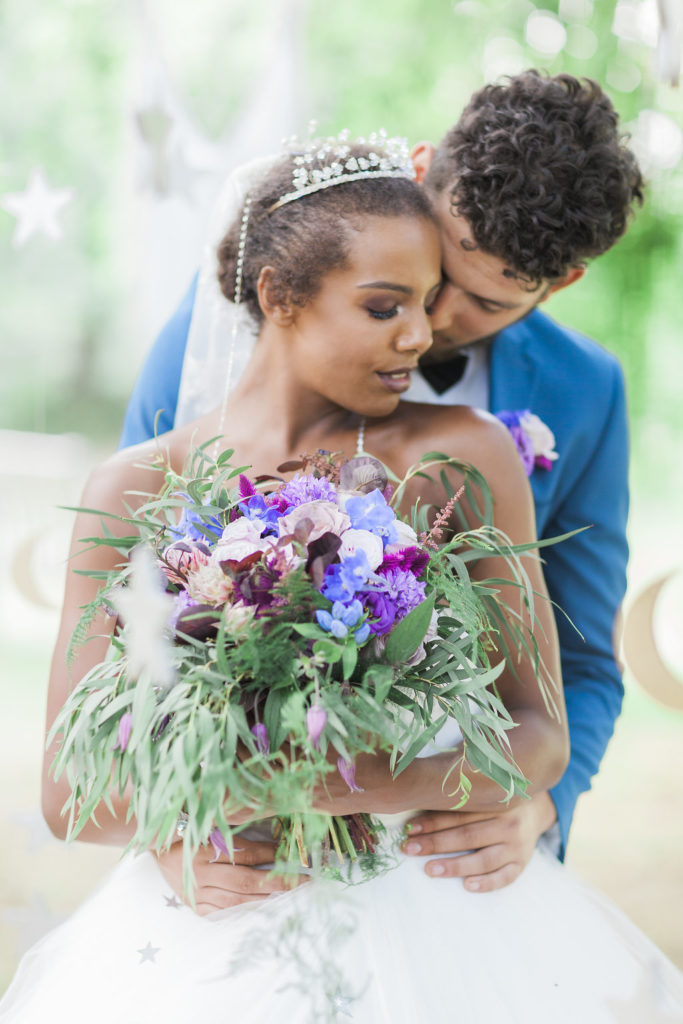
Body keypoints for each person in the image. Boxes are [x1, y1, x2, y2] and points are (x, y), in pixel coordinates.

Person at [3, 137, 682, 1024]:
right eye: (384, 306)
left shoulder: (466, 456)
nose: (422, 332)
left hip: (438, 902)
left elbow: (540, 730)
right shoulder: (135, 484)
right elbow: (69, 787)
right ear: (278, 296)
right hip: (220, 908)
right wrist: (182, 826)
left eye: (431, 300)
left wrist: (348, 782)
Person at [119, 71, 643, 900]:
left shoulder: (583, 394)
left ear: (561, 284)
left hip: (442, 848)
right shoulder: (219, 328)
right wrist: (169, 832)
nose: (432, 322)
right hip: (242, 842)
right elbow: (131, 609)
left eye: (483, 303)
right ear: (422, 168)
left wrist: (540, 803)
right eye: (443, 270)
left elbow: (577, 659)